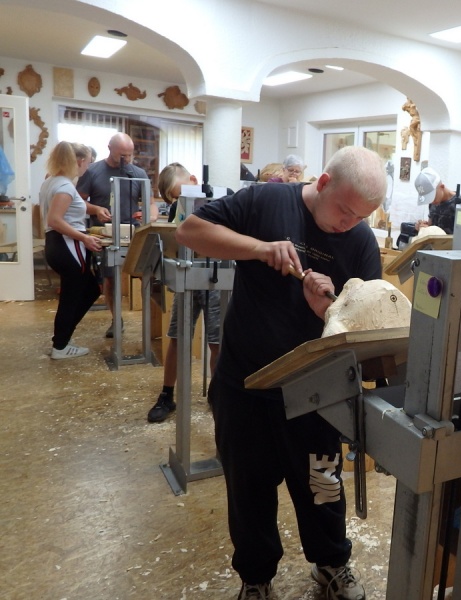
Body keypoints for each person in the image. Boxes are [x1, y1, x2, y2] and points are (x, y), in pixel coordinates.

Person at [175, 146, 386, 600]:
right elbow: (189, 231)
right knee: (248, 491)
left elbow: (364, 326)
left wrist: (327, 309)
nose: (349, 223)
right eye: (345, 211)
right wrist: (259, 249)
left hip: (316, 392)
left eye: (361, 217)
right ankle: (256, 578)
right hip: (245, 383)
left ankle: (331, 564)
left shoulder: (361, 241)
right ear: (323, 183)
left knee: (322, 485)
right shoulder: (267, 201)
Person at [147, 163, 222, 423]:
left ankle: (218, 395)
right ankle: (167, 395)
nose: (179, 201)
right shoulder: (177, 210)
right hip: (188, 278)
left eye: (180, 194)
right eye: (174, 199)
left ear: (193, 180)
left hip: (214, 277)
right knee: (178, 337)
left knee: (217, 342)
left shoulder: (217, 203)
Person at [77, 132, 154, 338]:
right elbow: (78, 202)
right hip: (106, 235)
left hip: (133, 234)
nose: (126, 159)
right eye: (122, 155)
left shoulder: (138, 173)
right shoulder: (92, 171)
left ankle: (151, 323)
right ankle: (116, 319)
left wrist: (149, 215)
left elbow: (151, 204)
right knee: (110, 279)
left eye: (129, 155)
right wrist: (96, 209)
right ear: (110, 149)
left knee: (147, 276)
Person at [40, 142, 105, 359]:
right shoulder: (65, 186)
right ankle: (60, 345)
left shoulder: (52, 181)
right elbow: (55, 220)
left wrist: (96, 209)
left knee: (90, 290)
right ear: (79, 161)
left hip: (57, 245)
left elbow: (72, 207)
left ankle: (63, 339)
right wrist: (84, 238)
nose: (88, 167)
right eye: (88, 163)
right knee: (72, 296)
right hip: (67, 245)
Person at [413, 167, 461, 234]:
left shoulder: (460, 204)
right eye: (429, 198)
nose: (432, 201)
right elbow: (430, 226)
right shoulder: (433, 203)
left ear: (442, 187)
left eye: (433, 197)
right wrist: (422, 227)